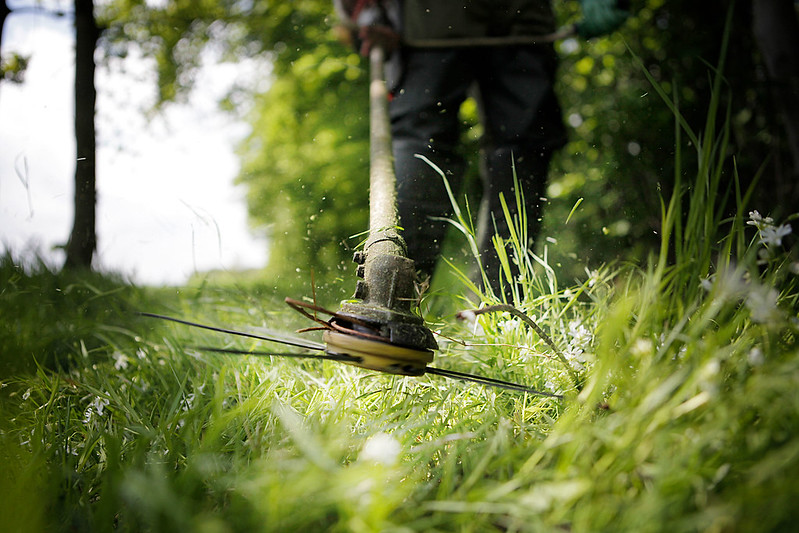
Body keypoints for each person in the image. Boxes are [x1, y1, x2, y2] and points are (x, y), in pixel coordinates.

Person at [344, 0, 630, 298]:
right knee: (488, 145)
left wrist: (364, 12)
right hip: (453, 19)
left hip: (463, 20)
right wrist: (364, 11)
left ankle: (398, 301)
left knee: (434, 141)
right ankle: (400, 295)